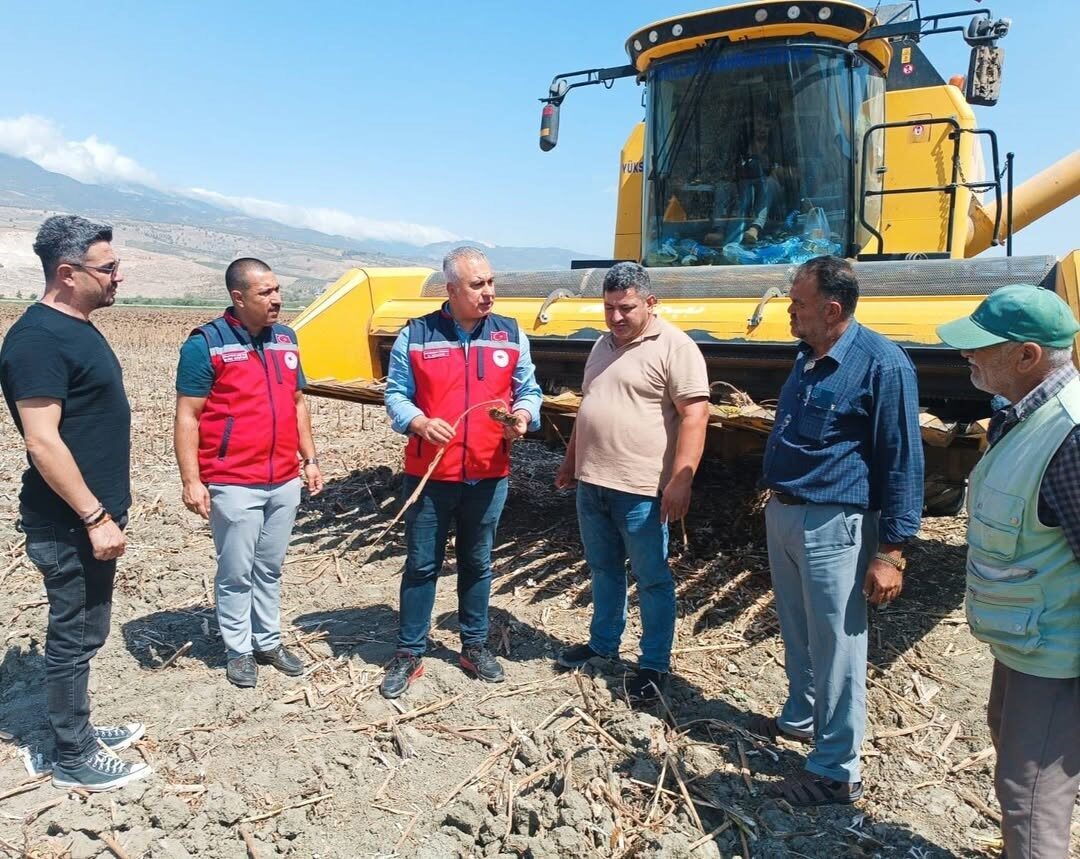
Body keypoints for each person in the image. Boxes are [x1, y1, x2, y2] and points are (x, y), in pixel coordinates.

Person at [756, 255, 923, 805]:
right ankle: (803, 718)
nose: (789, 311)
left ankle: (835, 770)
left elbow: (901, 459)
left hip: (834, 522)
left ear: (831, 310)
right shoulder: (808, 355)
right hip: (787, 512)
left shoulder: (883, 364)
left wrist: (892, 550)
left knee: (838, 645)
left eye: (798, 303)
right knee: (798, 629)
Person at [0, 215, 151, 791]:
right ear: (67, 273)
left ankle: (78, 729)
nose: (119, 276)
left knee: (85, 631)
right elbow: (42, 441)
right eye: (108, 267)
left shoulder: (76, 327)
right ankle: (72, 757)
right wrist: (94, 516)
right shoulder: (37, 341)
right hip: (69, 522)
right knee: (74, 635)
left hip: (88, 516)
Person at [936, 285, 1080, 858]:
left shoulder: (1070, 435)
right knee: (1016, 762)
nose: (966, 355)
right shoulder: (1023, 417)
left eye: (981, 345)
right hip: (1027, 640)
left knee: (1030, 795)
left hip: (1056, 654)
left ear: (1027, 356)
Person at [380, 247, 542, 699]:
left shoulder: (510, 334)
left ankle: (474, 645)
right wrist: (418, 422)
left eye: (491, 282)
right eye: (477, 285)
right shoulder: (416, 334)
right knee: (422, 564)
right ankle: (409, 652)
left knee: (477, 562)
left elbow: (529, 390)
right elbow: (395, 394)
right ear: (451, 289)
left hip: (489, 474)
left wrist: (523, 417)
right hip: (431, 476)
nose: (488, 292)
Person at [554, 262, 710, 702]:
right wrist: (571, 461)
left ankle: (654, 663)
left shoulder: (676, 347)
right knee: (604, 569)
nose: (616, 317)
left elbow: (696, 415)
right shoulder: (602, 344)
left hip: (640, 489)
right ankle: (603, 644)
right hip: (593, 483)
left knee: (652, 578)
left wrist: (681, 480)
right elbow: (589, 406)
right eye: (609, 308)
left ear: (650, 302)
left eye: (626, 308)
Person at [174, 258, 323, 688]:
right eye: (266, 292)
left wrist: (310, 458)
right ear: (238, 297)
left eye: (277, 290)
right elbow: (188, 416)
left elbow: (297, 403)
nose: (277, 299)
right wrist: (191, 480)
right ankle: (238, 649)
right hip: (233, 480)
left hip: (284, 478)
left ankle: (268, 641)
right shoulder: (206, 344)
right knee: (236, 571)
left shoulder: (286, 339)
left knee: (270, 567)